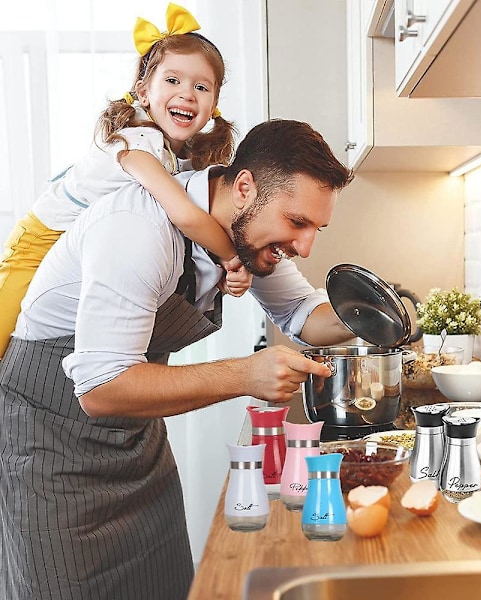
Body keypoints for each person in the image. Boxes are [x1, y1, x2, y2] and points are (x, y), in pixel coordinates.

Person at [0, 118, 355, 599]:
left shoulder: (244, 237)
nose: (306, 246)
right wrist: (244, 375)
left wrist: (376, 313)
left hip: (135, 442)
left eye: (317, 227)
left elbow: (302, 312)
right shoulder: (138, 229)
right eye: (297, 222)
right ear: (245, 187)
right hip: (52, 447)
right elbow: (102, 388)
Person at [0, 2, 251, 361]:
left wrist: (227, 271)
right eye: (172, 80)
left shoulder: (179, 159)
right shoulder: (137, 141)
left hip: (80, 252)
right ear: (144, 92)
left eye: (201, 86)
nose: (186, 93)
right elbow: (186, 217)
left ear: (214, 105)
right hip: (38, 244)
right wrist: (231, 257)